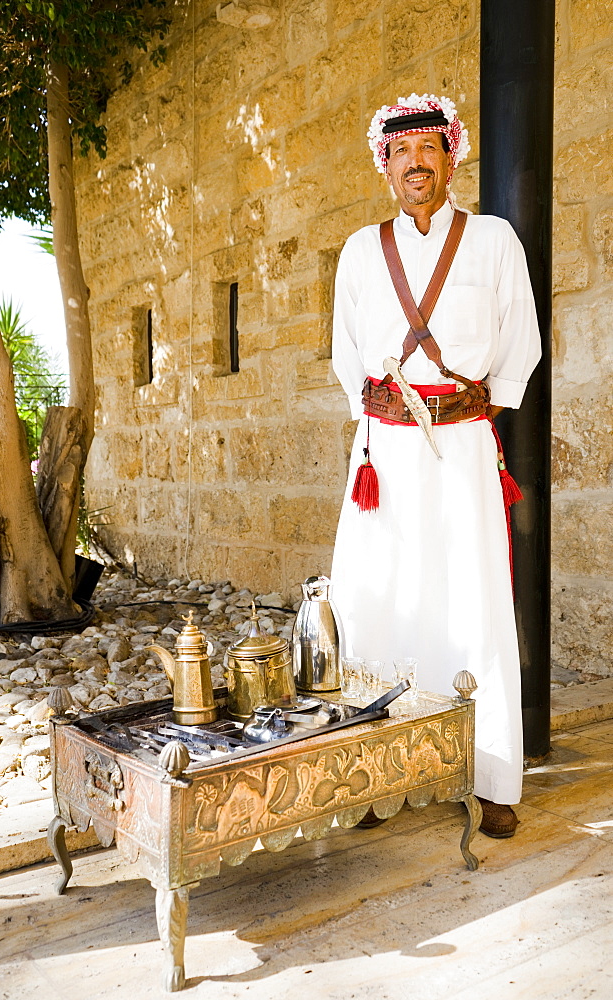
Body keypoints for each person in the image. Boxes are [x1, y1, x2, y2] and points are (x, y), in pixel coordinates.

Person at [330, 93, 541, 838]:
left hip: (463, 444)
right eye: (401, 152)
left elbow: (521, 339)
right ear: (384, 166)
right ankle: (368, 776)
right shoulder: (360, 250)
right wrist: (382, 422)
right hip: (383, 453)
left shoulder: (493, 241)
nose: (415, 163)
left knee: (472, 599)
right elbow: (345, 352)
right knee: (377, 597)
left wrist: (473, 417)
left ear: (452, 157)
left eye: (429, 149)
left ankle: (490, 777)